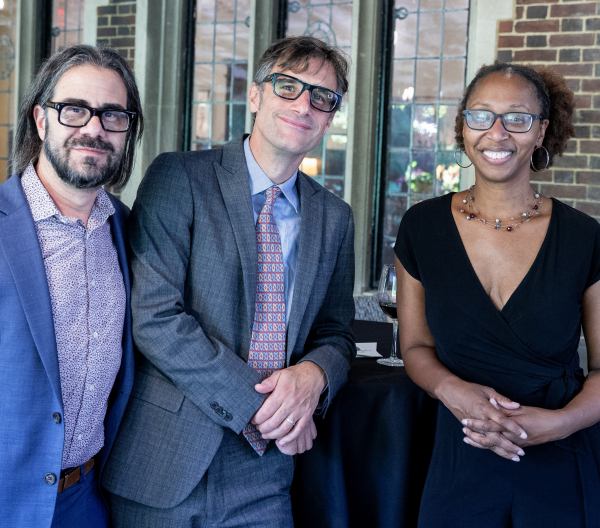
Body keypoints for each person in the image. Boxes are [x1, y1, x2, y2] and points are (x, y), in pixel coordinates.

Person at [102, 35, 356, 527]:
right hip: (165, 464)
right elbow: (153, 316)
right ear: (256, 95)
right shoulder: (180, 177)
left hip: (266, 474)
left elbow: (336, 332)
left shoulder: (334, 217)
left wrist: (316, 375)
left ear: (329, 118)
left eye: (321, 97)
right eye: (288, 86)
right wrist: (258, 405)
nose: (303, 104)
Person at [394, 61, 600, 527]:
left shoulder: (585, 237)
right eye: (481, 115)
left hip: (560, 463)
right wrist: (453, 392)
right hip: (459, 458)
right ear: (463, 126)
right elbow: (415, 347)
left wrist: (560, 423)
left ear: (541, 130)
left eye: (517, 118)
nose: (497, 132)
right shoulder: (421, 228)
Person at [0, 44, 144, 528]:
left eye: (112, 115)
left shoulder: (128, 231)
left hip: (85, 500)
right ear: (41, 120)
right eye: (75, 110)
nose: (94, 129)